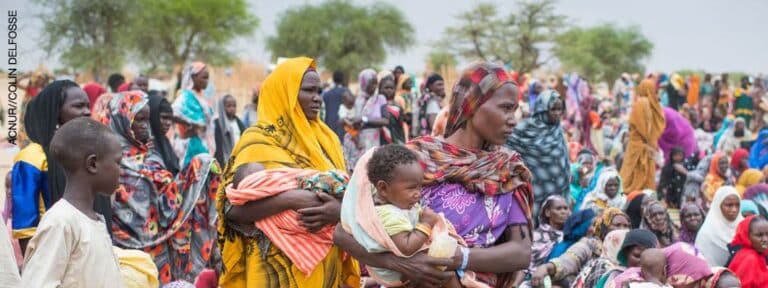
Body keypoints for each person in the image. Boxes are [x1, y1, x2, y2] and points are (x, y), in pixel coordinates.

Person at [336, 62, 534, 288]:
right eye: (506, 108)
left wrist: (457, 257)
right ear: (472, 104)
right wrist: (403, 264)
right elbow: (344, 233)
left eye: (514, 109)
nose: (513, 119)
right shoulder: (412, 160)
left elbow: (521, 251)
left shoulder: (508, 170)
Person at [217, 57, 359, 288]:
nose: (317, 98)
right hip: (274, 270)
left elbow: (347, 190)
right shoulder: (258, 140)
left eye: (319, 91)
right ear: (285, 92)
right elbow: (232, 211)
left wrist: (338, 211)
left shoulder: (327, 139)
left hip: (324, 267)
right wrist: (291, 199)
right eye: (308, 91)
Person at [100, 91, 221, 284]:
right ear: (122, 120)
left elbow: (167, 203)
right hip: (125, 254)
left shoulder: (151, 155)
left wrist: (198, 170)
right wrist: (192, 175)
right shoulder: (108, 160)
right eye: (138, 120)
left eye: (147, 120)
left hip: (159, 250)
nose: (145, 126)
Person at [19, 117, 123, 287]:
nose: (122, 170)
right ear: (93, 164)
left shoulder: (93, 220)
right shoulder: (61, 222)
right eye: (118, 162)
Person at [11, 80, 112, 254]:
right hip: (54, 255)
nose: (87, 112)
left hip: (95, 253)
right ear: (56, 112)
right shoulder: (32, 158)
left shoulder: (88, 154)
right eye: (78, 106)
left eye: (88, 105)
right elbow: (26, 230)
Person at [341, 145, 463, 287]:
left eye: (419, 187)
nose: (418, 193)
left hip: (406, 270)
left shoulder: (399, 206)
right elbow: (406, 246)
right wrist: (427, 223)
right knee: (447, 277)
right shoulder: (387, 215)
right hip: (400, 274)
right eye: (411, 188)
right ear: (383, 188)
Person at [507, 90, 570, 215]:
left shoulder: (557, 130)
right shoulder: (525, 129)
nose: (558, 114)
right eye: (553, 109)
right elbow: (506, 144)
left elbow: (563, 161)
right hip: (535, 189)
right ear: (542, 109)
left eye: (560, 109)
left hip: (559, 188)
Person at [533, 208, 631, 287]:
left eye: (626, 226)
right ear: (604, 227)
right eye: (617, 225)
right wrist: (547, 267)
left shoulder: (631, 250)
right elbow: (569, 260)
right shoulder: (591, 245)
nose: (623, 229)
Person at [620, 79, 666, 192]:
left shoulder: (641, 103)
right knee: (647, 175)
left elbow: (639, 126)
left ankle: (630, 197)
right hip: (650, 144)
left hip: (638, 144)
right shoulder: (654, 105)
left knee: (631, 175)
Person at [172, 61, 216, 168]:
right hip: (192, 146)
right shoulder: (186, 96)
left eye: (207, 78)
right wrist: (192, 124)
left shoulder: (202, 97)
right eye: (204, 77)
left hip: (204, 144)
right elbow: (172, 113)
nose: (206, 81)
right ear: (193, 77)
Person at [695, 186, 744, 266]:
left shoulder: (744, 228)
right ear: (718, 205)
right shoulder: (707, 234)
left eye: (737, 205)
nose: (734, 210)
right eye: (729, 205)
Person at [727, 215, 768, 287]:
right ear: (746, 236)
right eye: (759, 235)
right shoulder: (750, 259)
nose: (765, 239)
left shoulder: (758, 254)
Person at [531, 196, 571, 269]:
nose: (563, 212)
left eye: (566, 208)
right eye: (558, 208)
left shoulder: (571, 236)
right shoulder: (535, 236)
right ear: (547, 213)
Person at [353, 69, 388, 153]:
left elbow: (385, 120)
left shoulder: (380, 99)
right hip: (361, 140)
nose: (374, 86)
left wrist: (364, 119)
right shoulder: (358, 100)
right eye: (371, 83)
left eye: (376, 83)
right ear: (364, 83)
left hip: (377, 139)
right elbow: (354, 122)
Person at [148, 94, 180, 175]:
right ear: (153, 115)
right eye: (164, 117)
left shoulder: (164, 140)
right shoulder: (146, 142)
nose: (168, 123)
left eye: (170, 119)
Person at [214, 95, 246, 165]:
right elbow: (218, 147)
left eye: (234, 106)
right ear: (222, 107)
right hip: (224, 161)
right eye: (229, 106)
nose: (232, 108)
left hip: (238, 159)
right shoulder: (217, 124)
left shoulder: (239, 123)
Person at [379, 76, 406, 144]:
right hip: (380, 141)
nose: (389, 90)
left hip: (396, 140)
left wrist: (403, 141)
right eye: (386, 88)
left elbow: (401, 126)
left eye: (391, 88)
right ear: (380, 89)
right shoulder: (377, 105)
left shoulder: (398, 107)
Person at [323, 71, 347, 140]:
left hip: (329, 125)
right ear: (343, 79)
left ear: (333, 79)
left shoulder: (326, 94)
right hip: (343, 126)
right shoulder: (347, 92)